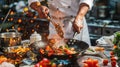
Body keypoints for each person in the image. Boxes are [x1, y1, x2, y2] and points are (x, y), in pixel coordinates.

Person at [28, 0, 93, 46]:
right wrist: (39, 7)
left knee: (81, 57)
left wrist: (79, 17)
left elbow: (86, 1)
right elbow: (33, 1)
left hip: (76, 22)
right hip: (54, 23)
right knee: (54, 53)